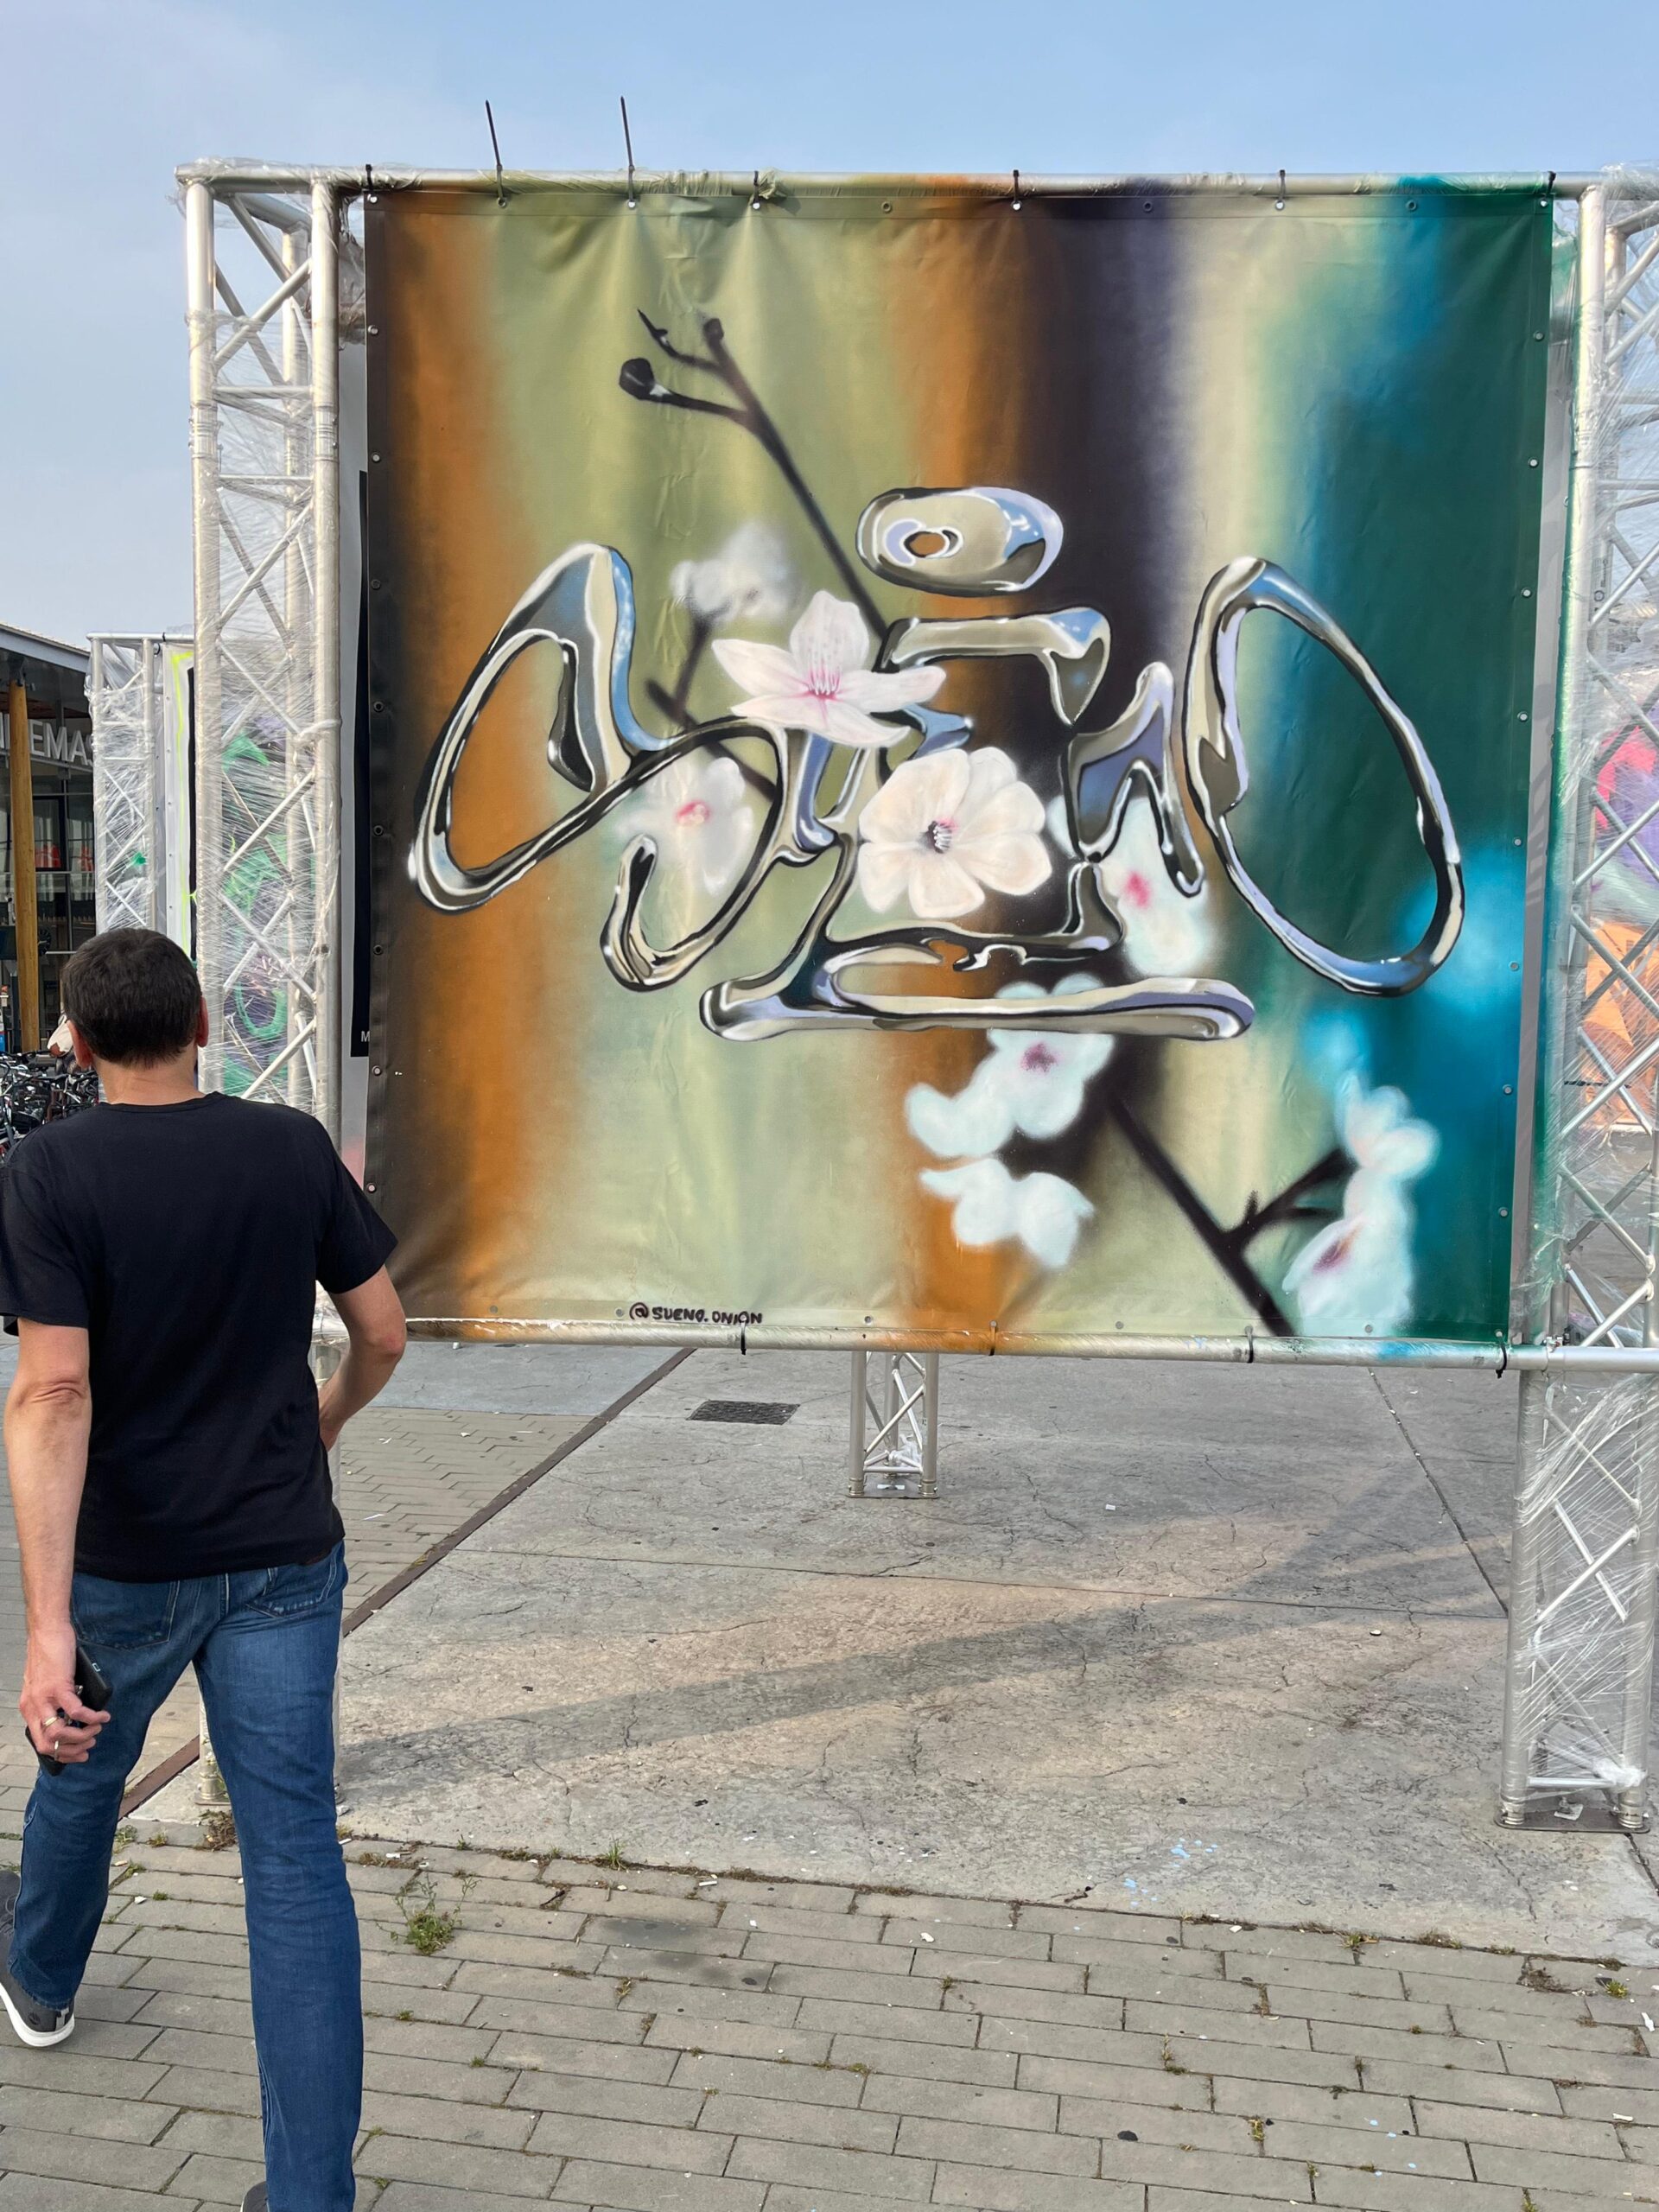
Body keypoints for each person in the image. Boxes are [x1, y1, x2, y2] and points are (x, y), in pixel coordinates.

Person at [0, 928, 405, 2212]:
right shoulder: (290, 1145)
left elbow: (53, 1389)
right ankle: (311, 2197)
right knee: (293, 1858)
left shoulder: (47, 1170)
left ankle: (40, 1983)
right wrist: (321, 1426)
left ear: (75, 1045)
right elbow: (384, 1332)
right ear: (202, 1029)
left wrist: (46, 1627)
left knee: (82, 1770)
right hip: (284, 1555)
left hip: (127, 1562)